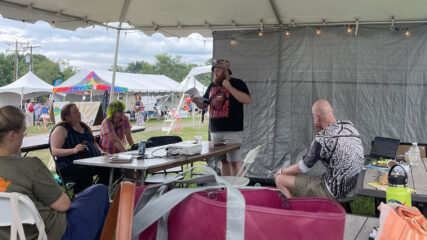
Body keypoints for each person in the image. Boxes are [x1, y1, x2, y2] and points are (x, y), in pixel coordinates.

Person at [0, 105, 109, 240]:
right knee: (100, 190)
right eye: (23, 131)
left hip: (14, 235)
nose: (24, 135)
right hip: (54, 234)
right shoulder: (31, 166)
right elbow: (64, 205)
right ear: (12, 135)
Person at [274, 100, 364, 202]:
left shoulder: (322, 138)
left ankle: (291, 213)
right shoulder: (349, 126)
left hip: (334, 193)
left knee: (280, 179)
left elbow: (303, 167)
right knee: (296, 176)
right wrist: (322, 131)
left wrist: (282, 171)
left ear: (316, 118)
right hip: (353, 189)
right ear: (332, 111)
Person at [191, 59, 251, 176]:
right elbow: (204, 105)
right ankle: (226, 187)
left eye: (218, 70)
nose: (215, 73)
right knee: (223, 161)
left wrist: (229, 88)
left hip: (232, 130)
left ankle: (239, 188)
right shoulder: (212, 85)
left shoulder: (237, 83)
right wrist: (196, 102)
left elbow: (247, 100)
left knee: (235, 161)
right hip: (215, 130)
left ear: (226, 71)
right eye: (214, 70)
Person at [50, 103, 110, 194]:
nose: (79, 113)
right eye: (75, 112)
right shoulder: (61, 129)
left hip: (89, 161)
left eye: (78, 111)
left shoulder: (84, 126)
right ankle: (82, 197)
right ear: (67, 116)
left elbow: (93, 142)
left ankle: (96, 190)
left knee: (110, 168)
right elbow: (55, 151)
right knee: (85, 171)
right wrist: (74, 150)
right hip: (68, 165)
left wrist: (100, 151)